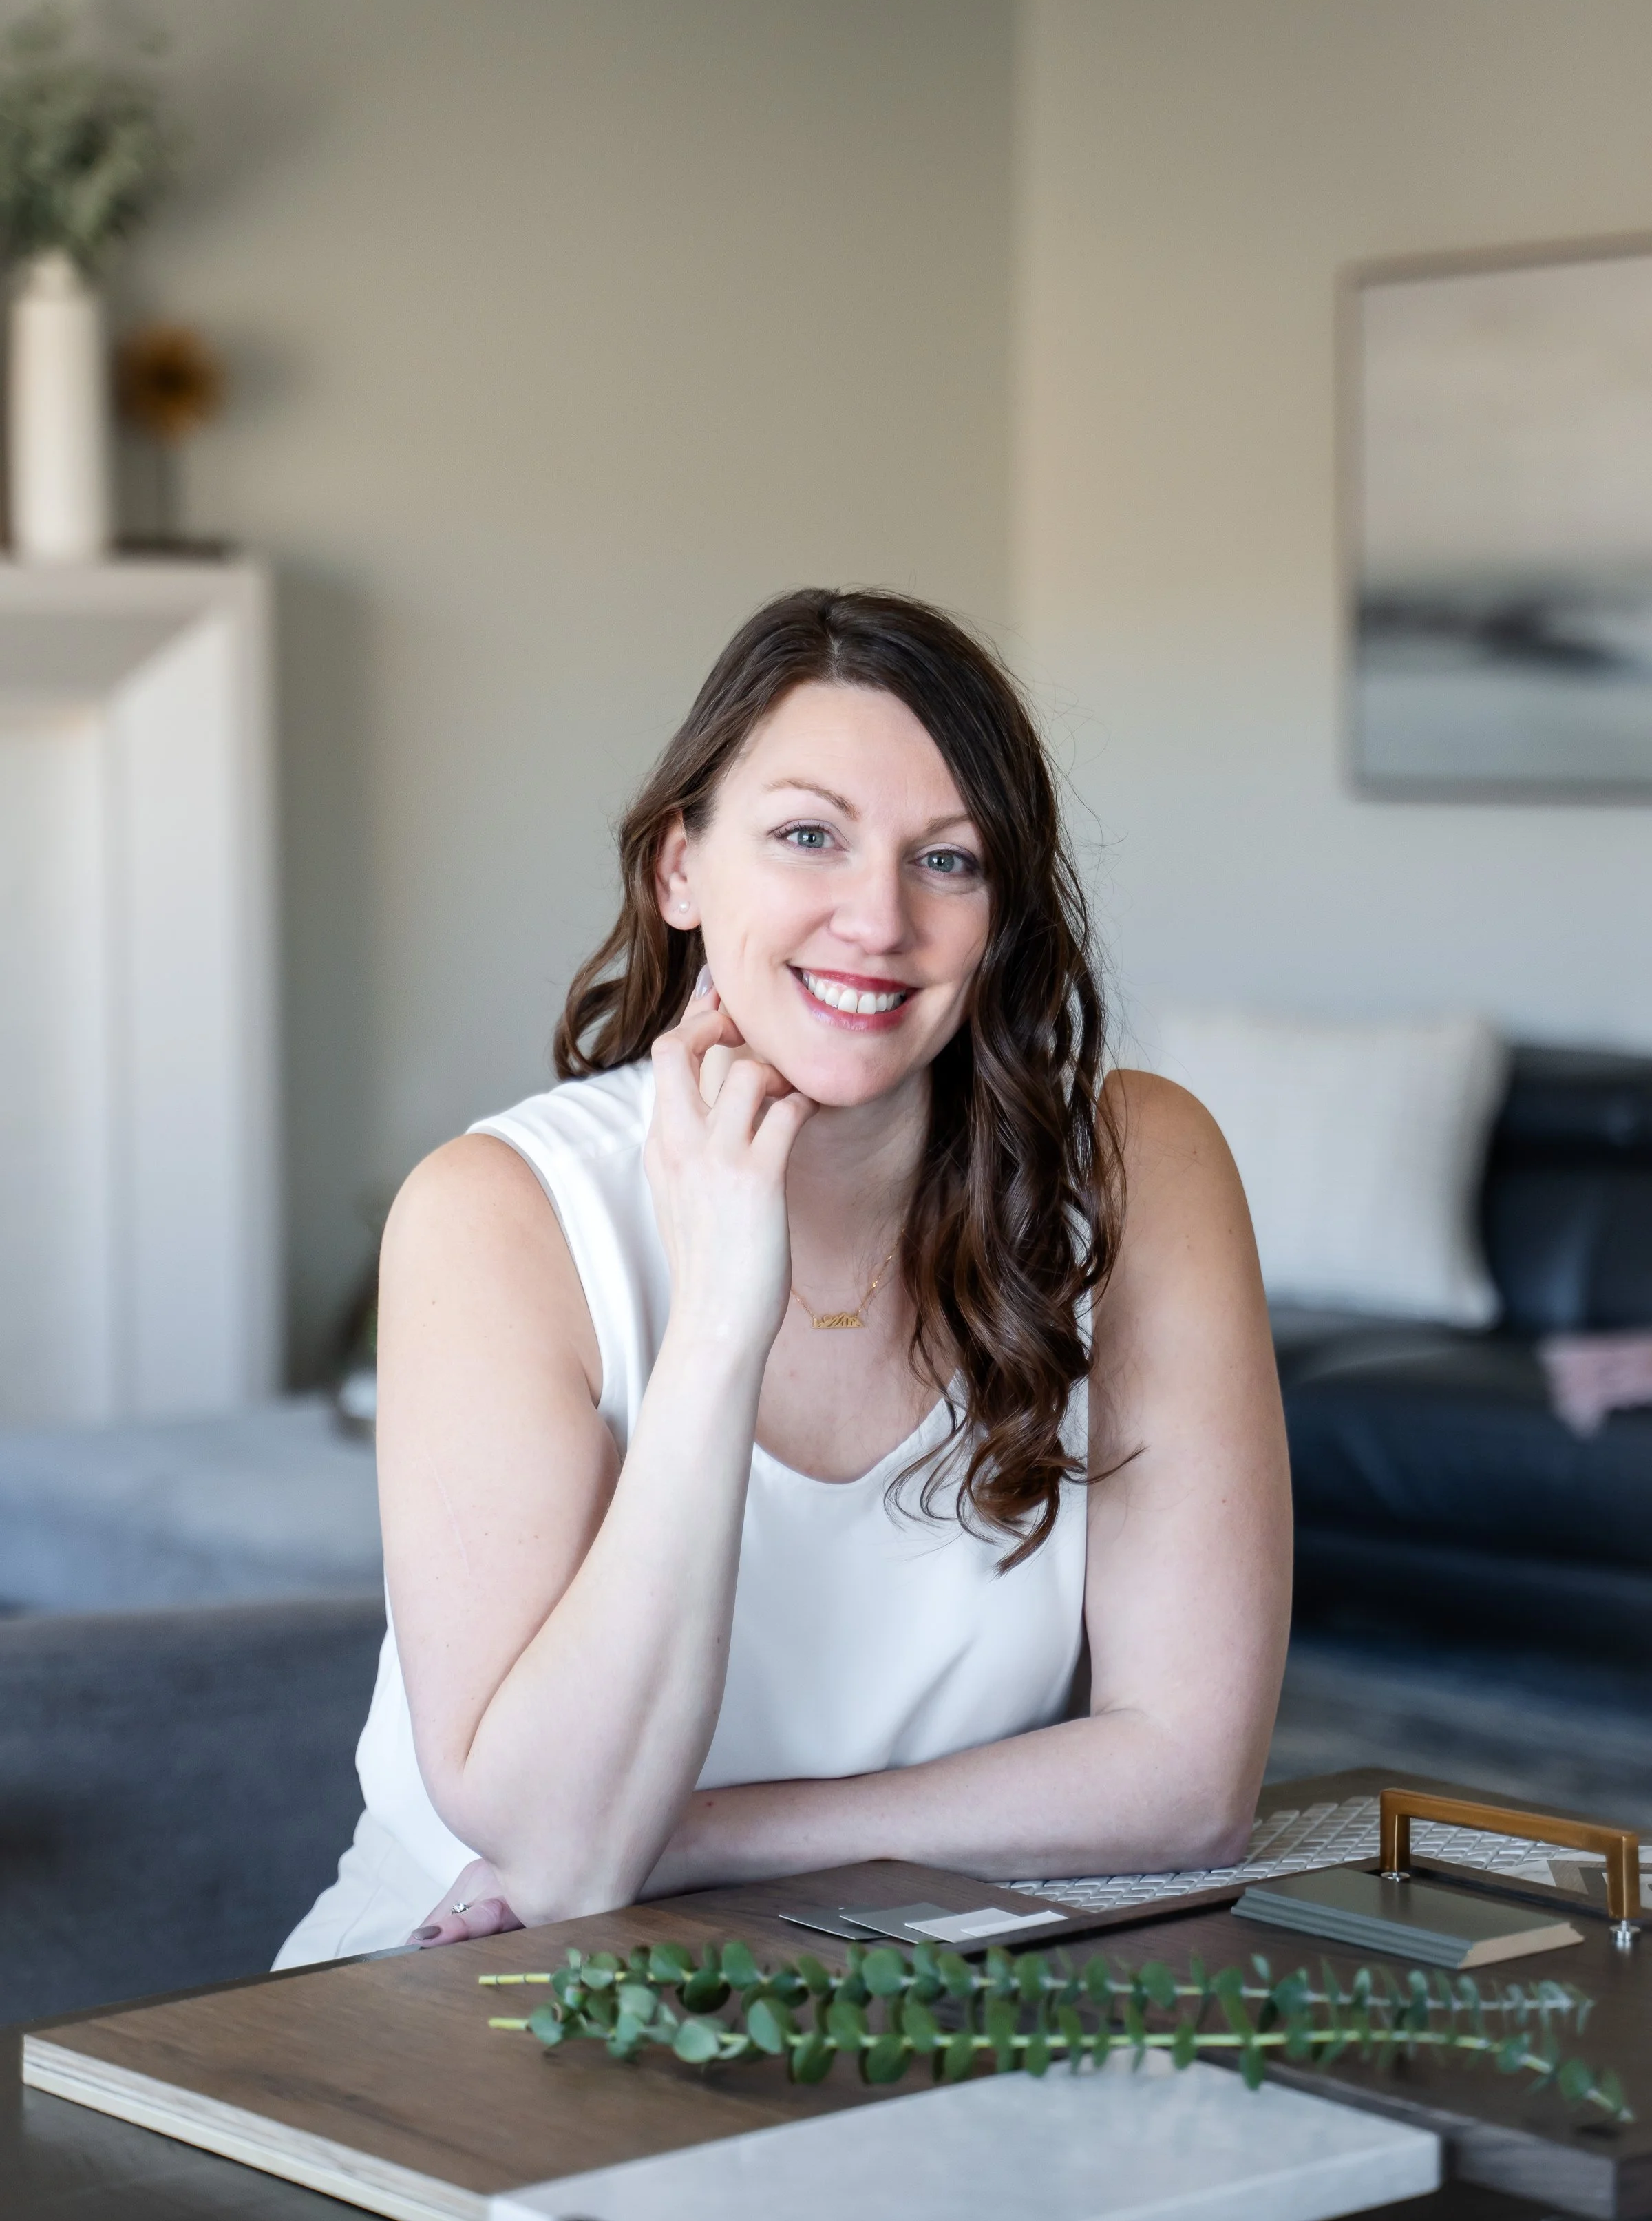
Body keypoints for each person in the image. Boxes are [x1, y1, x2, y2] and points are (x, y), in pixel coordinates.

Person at [276, 588, 1291, 1966]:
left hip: (920, 1977)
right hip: (480, 1987)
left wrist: (703, 1835)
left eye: (949, 861)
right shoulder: (499, 1215)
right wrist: (719, 1318)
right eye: (809, 836)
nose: (876, 919)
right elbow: (563, 1857)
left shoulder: (1138, 1169)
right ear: (680, 871)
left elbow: (1189, 1785)